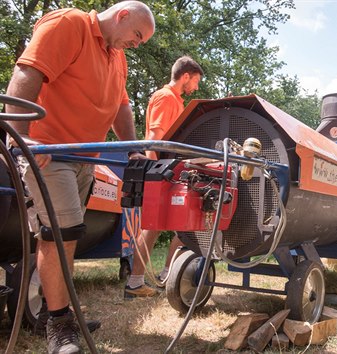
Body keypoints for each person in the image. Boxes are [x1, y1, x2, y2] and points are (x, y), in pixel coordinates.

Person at [6, 2, 155, 353]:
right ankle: (60, 327)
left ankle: (55, 312)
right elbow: (27, 72)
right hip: (48, 153)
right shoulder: (69, 24)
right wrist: (21, 138)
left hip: (83, 157)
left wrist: (132, 147)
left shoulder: (117, 56)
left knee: (68, 238)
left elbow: (120, 105)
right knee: (61, 233)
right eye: (137, 35)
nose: (136, 43)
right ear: (122, 15)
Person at [124, 56, 203, 298]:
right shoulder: (165, 97)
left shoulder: (176, 101)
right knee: (152, 227)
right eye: (196, 81)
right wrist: (158, 173)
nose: (196, 88)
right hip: (162, 170)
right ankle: (136, 283)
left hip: (173, 169)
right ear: (186, 76)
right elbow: (154, 138)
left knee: (178, 228)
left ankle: (167, 275)